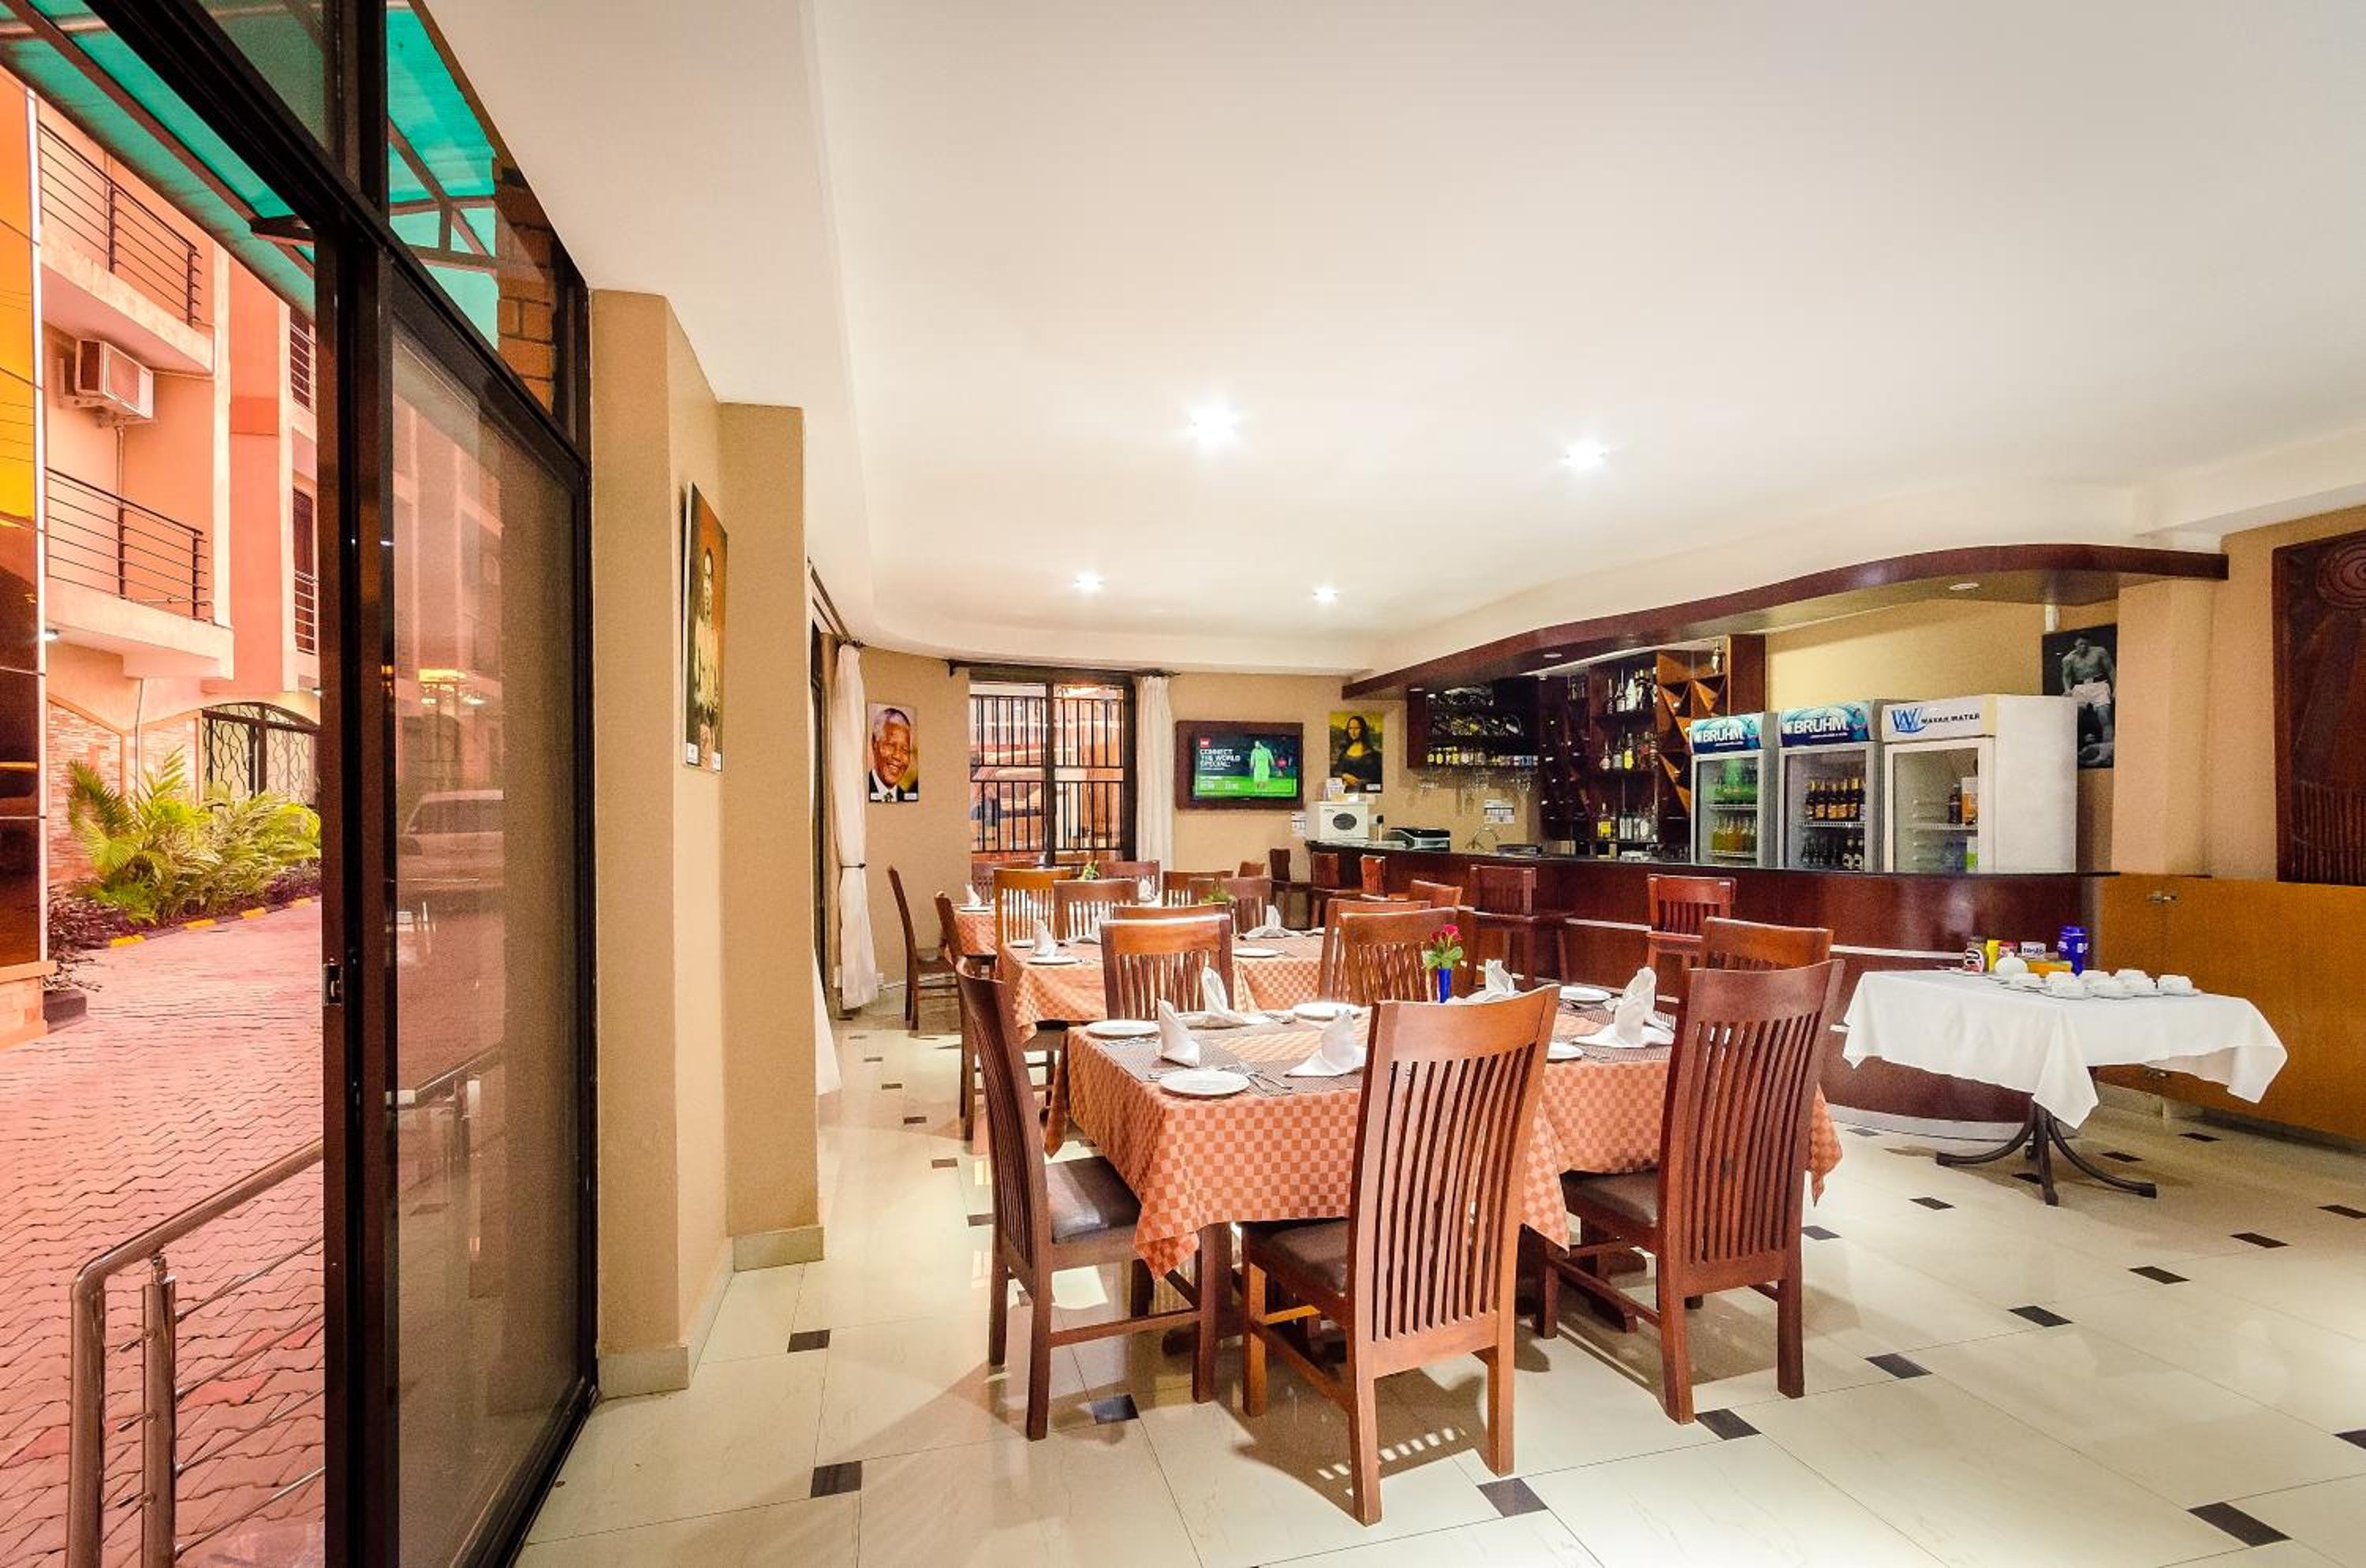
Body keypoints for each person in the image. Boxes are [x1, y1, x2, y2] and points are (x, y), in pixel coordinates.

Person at [2058, 633, 2116, 766]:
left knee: (2104, 715)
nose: (2082, 647)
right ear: (2075, 645)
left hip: (2099, 684)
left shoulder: (2099, 652)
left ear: (2089, 644)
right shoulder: (2068, 659)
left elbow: (2111, 669)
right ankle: (2069, 753)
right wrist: (2067, 689)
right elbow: (2066, 676)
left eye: (2085, 644)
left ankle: (2108, 751)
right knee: (2073, 718)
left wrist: (2116, 688)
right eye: (2080, 644)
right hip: (2080, 687)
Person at [688, 545, 723, 765]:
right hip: (700, 722)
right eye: (705, 577)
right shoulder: (698, 629)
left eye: (711, 578)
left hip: (710, 727)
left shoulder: (714, 636)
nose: (708, 587)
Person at [869, 706, 918, 801]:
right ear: (874, 744)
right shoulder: (858, 791)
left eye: (905, 750)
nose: (897, 756)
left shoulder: (905, 797)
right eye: (890, 745)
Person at [1334, 712, 1382, 790]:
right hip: (1347, 792)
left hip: (1365, 792)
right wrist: (1344, 776)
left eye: (1357, 728)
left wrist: (1358, 782)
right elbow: (1336, 772)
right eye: (1350, 728)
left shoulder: (1372, 754)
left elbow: (1376, 779)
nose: (1353, 732)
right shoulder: (1344, 752)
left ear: (1363, 730)